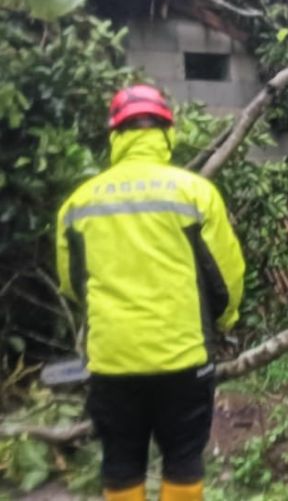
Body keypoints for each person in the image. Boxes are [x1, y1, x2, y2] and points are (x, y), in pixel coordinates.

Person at [56, 84, 245, 501]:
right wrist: (225, 321)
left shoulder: (79, 204)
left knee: (120, 461)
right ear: (167, 132)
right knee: (182, 458)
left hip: (112, 362)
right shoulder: (194, 193)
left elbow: (72, 284)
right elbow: (226, 277)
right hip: (183, 359)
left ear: (115, 135)